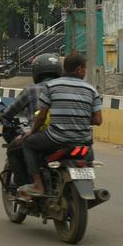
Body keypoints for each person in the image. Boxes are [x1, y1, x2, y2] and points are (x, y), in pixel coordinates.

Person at [18, 52, 103, 198]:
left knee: (27, 144)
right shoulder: (91, 89)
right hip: (82, 140)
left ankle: (38, 185)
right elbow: (98, 120)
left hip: (56, 139)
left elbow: (42, 116)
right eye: (85, 69)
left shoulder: (51, 86)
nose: (85, 72)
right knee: (88, 148)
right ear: (79, 69)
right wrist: (80, 119)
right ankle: (90, 183)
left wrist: (32, 132)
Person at [0, 53, 63, 187]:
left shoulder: (31, 90)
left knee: (13, 150)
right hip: (69, 136)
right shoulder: (65, 89)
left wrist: (0, 116)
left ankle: (26, 188)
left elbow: (12, 110)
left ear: (36, 72)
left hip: (44, 136)